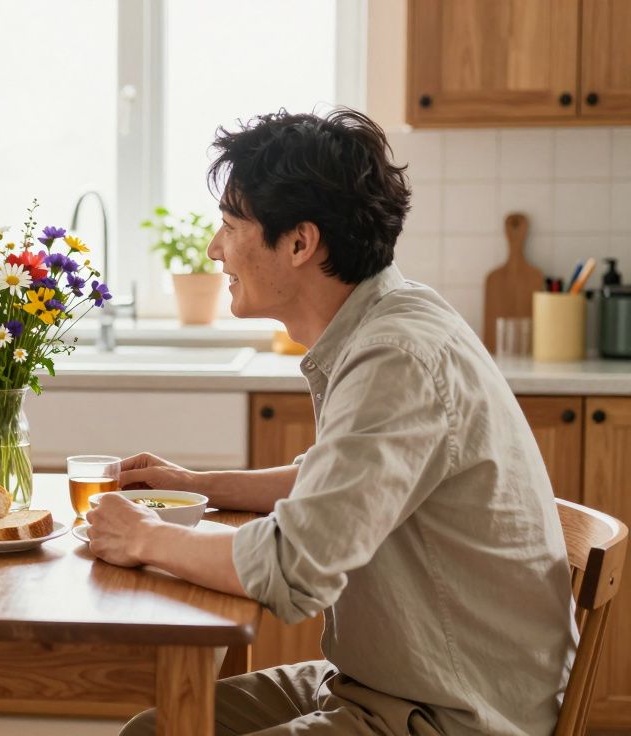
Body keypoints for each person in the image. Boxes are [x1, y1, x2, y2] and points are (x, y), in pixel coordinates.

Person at [90, 110, 575, 736]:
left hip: (451, 712)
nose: (215, 248)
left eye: (231, 226)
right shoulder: (389, 321)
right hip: (388, 681)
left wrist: (144, 538)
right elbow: (331, 483)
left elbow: (295, 567)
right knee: (150, 732)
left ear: (299, 243)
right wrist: (197, 483)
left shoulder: (396, 357)